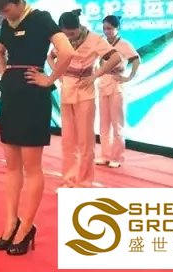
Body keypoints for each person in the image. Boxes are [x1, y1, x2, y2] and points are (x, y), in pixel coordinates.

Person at [0, 0, 74, 256]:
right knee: (11, 165)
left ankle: (26, 226)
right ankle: (10, 222)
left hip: (34, 95)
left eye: (6, 9)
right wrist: (5, 72)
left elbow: (67, 51)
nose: (5, 15)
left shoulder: (41, 18)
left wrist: (50, 79)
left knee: (31, 166)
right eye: (0, 12)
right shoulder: (6, 25)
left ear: (19, 0)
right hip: (11, 93)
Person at [48, 10, 121, 190]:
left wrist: (95, 75)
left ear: (79, 27)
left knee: (85, 142)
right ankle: (69, 181)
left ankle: (84, 184)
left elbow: (115, 58)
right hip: (67, 91)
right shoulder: (62, 39)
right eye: (66, 34)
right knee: (68, 141)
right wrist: (58, 73)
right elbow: (51, 56)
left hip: (85, 94)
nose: (69, 37)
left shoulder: (95, 39)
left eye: (72, 34)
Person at [96, 15, 140, 168]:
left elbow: (136, 59)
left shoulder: (124, 44)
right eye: (104, 28)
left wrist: (129, 77)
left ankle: (117, 157)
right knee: (104, 123)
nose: (106, 31)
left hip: (117, 84)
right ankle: (105, 155)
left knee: (117, 123)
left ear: (117, 28)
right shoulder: (102, 43)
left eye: (109, 28)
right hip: (103, 83)